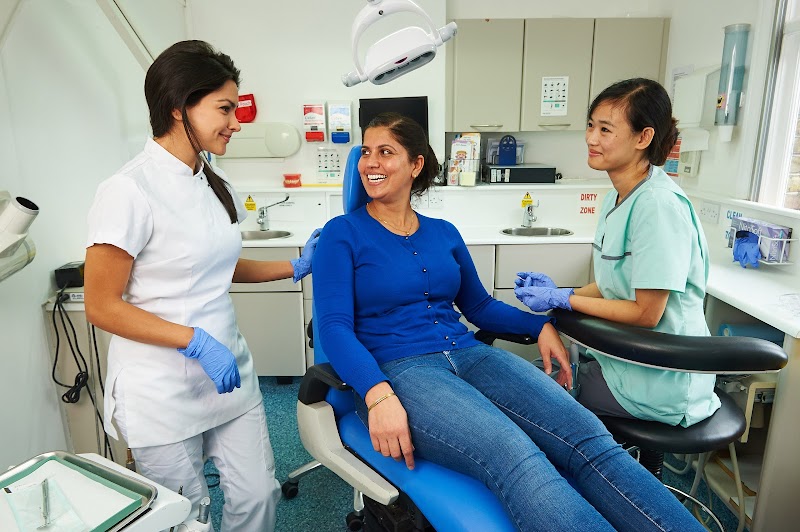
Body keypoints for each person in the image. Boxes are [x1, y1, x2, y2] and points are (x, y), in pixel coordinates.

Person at [313, 112, 705, 531]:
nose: (370, 162)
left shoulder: (443, 232)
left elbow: (479, 307)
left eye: (385, 152)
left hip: (469, 354)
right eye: (366, 152)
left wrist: (538, 326)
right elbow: (333, 328)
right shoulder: (341, 233)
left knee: (588, 437)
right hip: (400, 370)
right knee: (516, 456)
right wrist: (377, 395)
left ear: (415, 165)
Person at [83, 40, 319, 531]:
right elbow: (101, 305)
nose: (236, 122)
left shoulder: (215, 182)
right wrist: (193, 341)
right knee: (185, 516)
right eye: (225, 108)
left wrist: (295, 266)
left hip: (229, 375)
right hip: (161, 389)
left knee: (259, 494)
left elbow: (217, 266)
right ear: (179, 106)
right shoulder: (128, 190)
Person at [515, 78, 721, 428]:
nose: (591, 138)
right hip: (624, 361)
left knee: (527, 395)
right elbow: (615, 283)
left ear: (643, 138)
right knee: (528, 377)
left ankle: (607, 465)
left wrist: (566, 299)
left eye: (606, 129)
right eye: (591, 125)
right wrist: (562, 293)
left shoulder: (657, 205)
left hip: (659, 379)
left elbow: (646, 313)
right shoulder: (618, 197)